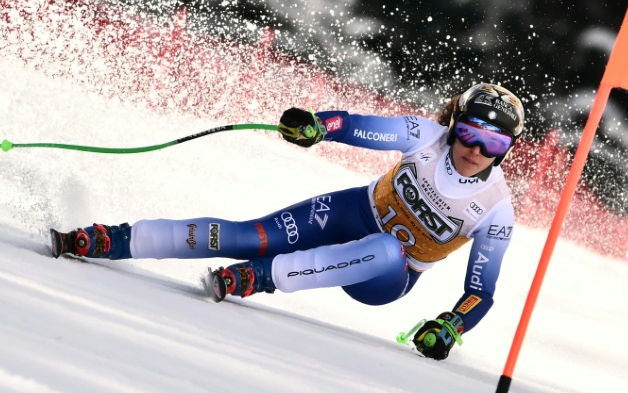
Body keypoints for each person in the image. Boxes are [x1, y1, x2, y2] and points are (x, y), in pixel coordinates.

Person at [52, 83, 525, 360]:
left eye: (494, 146)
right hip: (348, 213)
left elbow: (480, 294)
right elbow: (358, 125)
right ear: (455, 124)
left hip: (385, 276)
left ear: (507, 150)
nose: (475, 151)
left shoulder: (496, 208)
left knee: (386, 249)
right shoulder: (425, 136)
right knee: (247, 236)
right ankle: (107, 240)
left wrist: (450, 327)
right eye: (468, 133)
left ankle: (259, 280)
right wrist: (318, 126)